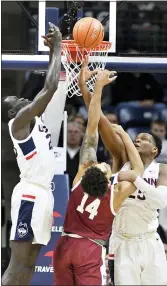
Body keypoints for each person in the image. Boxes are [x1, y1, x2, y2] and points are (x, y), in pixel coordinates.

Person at [79, 56, 167, 285]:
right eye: (135, 138)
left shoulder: (162, 169)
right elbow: (97, 120)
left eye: (144, 139)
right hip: (122, 242)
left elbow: (160, 202)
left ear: (155, 149)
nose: (137, 140)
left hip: (150, 241)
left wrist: (133, 178)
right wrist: (85, 87)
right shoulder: (122, 157)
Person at [53, 69, 144, 285]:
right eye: (105, 166)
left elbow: (92, 128)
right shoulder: (115, 194)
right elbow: (138, 171)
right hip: (90, 248)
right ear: (106, 180)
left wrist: (94, 89)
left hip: (65, 245)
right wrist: (124, 135)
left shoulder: (79, 179)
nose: (103, 163)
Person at [1, 24, 62, 286]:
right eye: (14, 100)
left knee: (31, 263)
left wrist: (51, 55)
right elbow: (48, 90)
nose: (21, 98)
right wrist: (58, 47)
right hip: (29, 193)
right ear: (13, 113)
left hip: (44, 193)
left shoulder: (33, 121)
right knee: (17, 263)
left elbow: (45, 93)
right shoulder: (19, 124)